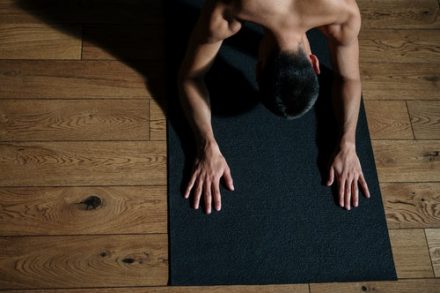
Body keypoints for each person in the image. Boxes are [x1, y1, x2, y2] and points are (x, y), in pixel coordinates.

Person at [177, 0, 371, 215]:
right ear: (315, 63)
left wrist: (349, 143)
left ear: (316, 64)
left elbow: (349, 80)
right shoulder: (344, 12)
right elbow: (189, 78)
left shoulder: (228, 8)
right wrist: (206, 146)